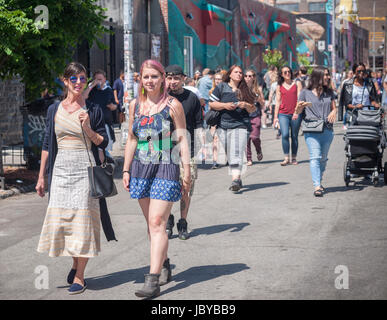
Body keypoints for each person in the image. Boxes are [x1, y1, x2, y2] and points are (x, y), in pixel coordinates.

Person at [36, 62, 116, 295]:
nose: (79, 83)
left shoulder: (93, 109)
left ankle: (80, 276)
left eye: (82, 78)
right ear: (65, 81)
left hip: (85, 168)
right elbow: (47, 145)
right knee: (64, 222)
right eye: (74, 79)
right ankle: (74, 263)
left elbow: (104, 142)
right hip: (60, 170)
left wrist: (88, 128)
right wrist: (41, 177)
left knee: (82, 224)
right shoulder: (54, 109)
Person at [122, 59, 191, 298]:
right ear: (140, 79)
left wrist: (187, 171)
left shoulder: (173, 105)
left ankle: (151, 280)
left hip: (166, 166)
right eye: (146, 76)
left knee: (157, 222)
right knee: (151, 226)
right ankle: (163, 264)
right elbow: (132, 138)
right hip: (141, 167)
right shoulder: (134, 105)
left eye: (154, 76)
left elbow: (182, 139)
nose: (149, 81)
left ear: (162, 78)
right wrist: (126, 169)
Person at [165, 64, 203, 241]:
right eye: (169, 78)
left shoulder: (192, 98)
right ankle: (168, 219)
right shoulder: (161, 98)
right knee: (165, 189)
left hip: (188, 149)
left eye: (176, 78)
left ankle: (182, 222)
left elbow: (198, 124)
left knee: (186, 188)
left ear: (183, 79)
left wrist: (199, 146)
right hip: (164, 150)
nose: (173, 82)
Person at [209, 65, 257, 192]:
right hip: (223, 125)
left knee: (236, 152)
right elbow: (211, 103)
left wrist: (245, 105)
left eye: (241, 72)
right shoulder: (221, 87)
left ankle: (235, 179)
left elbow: (253, 109)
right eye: (236, 72)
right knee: (230, 153)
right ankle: (238, 177)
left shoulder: (245, 89)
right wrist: (225, 105)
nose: (239, 74)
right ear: (230, 74)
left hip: (241, 124)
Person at [296, 67, 337, 197]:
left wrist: (333, 112)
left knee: (323, 159)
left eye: (328, 75)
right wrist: (298, 108)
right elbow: (297, 112)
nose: (328, 77)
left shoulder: (329, 92)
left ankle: (319, 178)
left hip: (327, 129)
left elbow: (334, 108)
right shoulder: (304, 92)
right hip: (311, 129)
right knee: (315, 157)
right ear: (317, 76)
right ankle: (317, 186)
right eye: (325, 75)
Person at [273, 66, 303, 166]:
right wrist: (275, 117)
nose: (287, 73)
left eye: (289, 71)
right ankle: (286, 158)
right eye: (285, 72)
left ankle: (293, 157)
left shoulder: (297, 83)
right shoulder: (279, 86)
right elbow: (277, 102)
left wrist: (296, 112)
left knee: (294, 136)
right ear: (281, 74)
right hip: (283, 114)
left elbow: (300, 99)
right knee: (285, 134)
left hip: (295, 113)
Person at [84, 70, 117, 158]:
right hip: (93, 123)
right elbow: (84, 97)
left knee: (105, 147)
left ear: (105, 79)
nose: (99, 81)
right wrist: (91, 85)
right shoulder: (91, 90)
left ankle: (105, 164)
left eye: (100, 79)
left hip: (106, 123)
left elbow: (115, 105)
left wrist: (112, 106)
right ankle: (104, 164)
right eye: (96, 79)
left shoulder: (108, 90)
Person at [244, 69, 264, 166]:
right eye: (246, 76)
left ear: (254, 77)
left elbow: (263, 104)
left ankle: (258, 149)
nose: (248, 78)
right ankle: (249, 158)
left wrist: (258, 98)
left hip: (255, 115)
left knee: (254, 137)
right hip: (244, 116)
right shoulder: (241, 89)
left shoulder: (258, 89)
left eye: (250, 76)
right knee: (246, 139)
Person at [207, 72, 224, 169]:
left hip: (224, 117)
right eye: (216, 79)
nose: (217, 81)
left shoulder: (226, 91)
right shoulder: (211, 91)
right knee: (215, 139)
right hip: (215, 117)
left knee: (224, 139)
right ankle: (215, 161)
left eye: (219, 79)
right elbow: (210, 105)